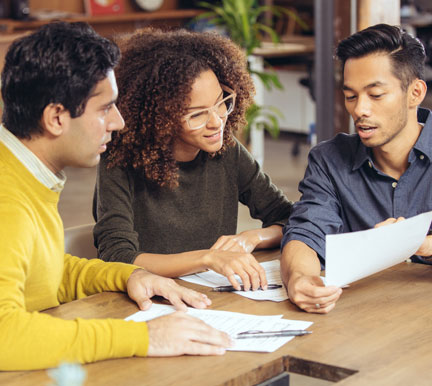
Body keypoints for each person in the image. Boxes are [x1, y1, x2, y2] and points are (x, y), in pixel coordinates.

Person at [0, 21, 232, 371]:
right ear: (56, 118)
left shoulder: (25, 174)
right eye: (105, 108)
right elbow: (5, 336)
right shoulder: (7, 202)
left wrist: (127, 276)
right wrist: (145, 339)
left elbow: (40, 271)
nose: (119, 122)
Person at [93, 28, 292, 291]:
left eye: (221, 102)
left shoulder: (227, 151)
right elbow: (117, 257)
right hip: (149, 299)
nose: (217, 121)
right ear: (159, 119)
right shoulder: (120, 160)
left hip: (211, 295)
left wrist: (251, 238)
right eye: (196, 115)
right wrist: (207, 258)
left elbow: (289, 218)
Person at [280, 23, 432, 313]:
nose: (360, 110)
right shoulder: (329, 159)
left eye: (375, 95)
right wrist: (300, 279)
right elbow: (305, 232)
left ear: (415, 93)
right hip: (361, 322)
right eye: (351, 96)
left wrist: (418, 244)